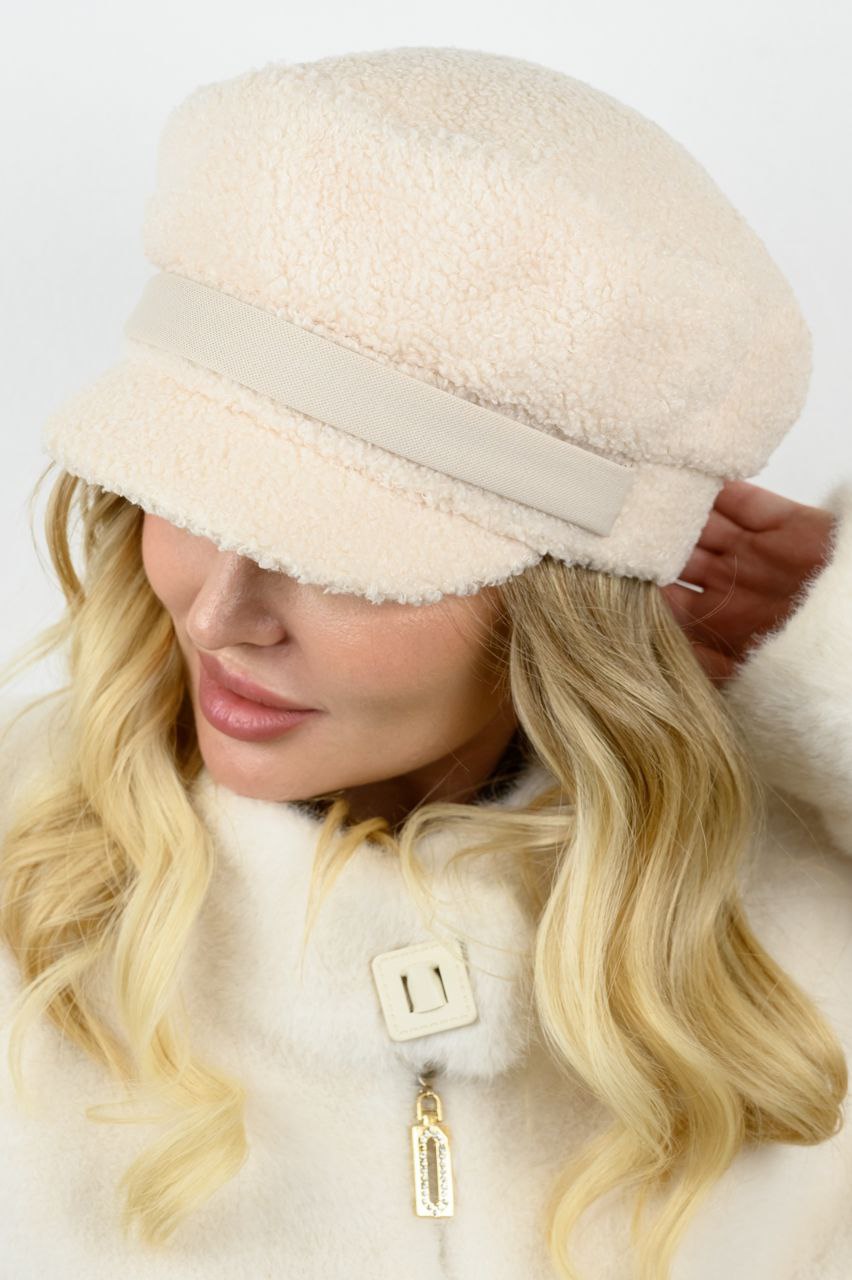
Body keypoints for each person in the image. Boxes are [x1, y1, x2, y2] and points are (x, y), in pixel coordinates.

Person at [1, 46, 850, 1280]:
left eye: (337, 557)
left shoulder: (809, 927)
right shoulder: (24, 887)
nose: (221, 615)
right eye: (185, 493)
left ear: (564, 609)